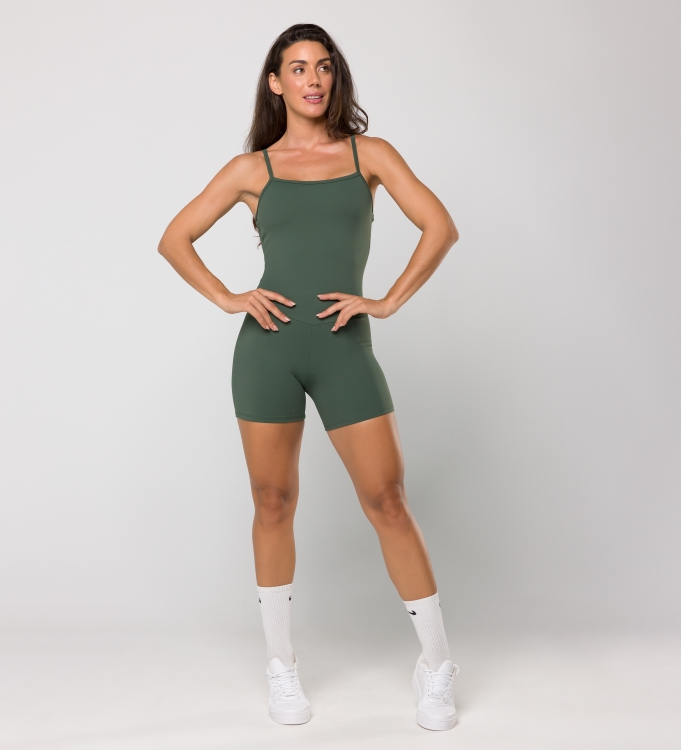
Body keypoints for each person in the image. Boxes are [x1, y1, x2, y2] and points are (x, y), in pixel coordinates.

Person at [158, 23, 460, 731]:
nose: (312, 79)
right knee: (272, 501)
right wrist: (228, 296)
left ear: (334, 77)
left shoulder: (368, 155)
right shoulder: (252, 169)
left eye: (323, 67)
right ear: (276, 83)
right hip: (267, 351)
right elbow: (174, 238)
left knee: (388, 500)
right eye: (297, 68)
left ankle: (438, 665)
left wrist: (386, 301)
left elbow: (440, 226)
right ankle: (281, 667)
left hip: (343, 349)